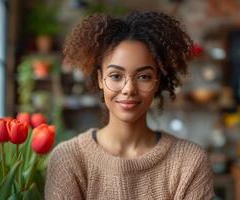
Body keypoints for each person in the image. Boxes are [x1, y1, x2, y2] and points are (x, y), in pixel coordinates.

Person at [45, 11, 214, 199]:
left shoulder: (189, 162)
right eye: (116, 76)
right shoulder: (69, 159)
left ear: (158, 81)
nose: (129, 89)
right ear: (101, 79)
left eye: (144, 77)